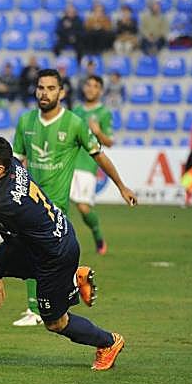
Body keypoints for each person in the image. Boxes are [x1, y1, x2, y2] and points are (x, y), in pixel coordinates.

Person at [0, 69, 137, 325]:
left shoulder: (74, 123)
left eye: (50, 88)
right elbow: (14, 162)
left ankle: (33, 310)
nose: (44, 93)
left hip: (52, 204)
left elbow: (98, 155)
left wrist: (121, 186)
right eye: (40, 87)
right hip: (22, 201)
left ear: (62, 92)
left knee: (32, 250)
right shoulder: (26, 121)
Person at [0, 134, 126, 371]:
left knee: (55, 322)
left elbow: (15, 245)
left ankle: (109, 342)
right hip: (59, 235)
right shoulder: (13, 165)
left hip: (55, 257)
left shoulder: (3, 204)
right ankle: (73, 278)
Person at [71, 75, 114, 255]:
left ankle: (98, 236)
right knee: (56, 206)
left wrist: (98, 132)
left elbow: (109, 142)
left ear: (100, 91)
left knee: (83, 207)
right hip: (67, 162)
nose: (90, 89)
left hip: (87, 165)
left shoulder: (104, 113)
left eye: (95, 86)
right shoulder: (76, 110)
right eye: (88, 85)